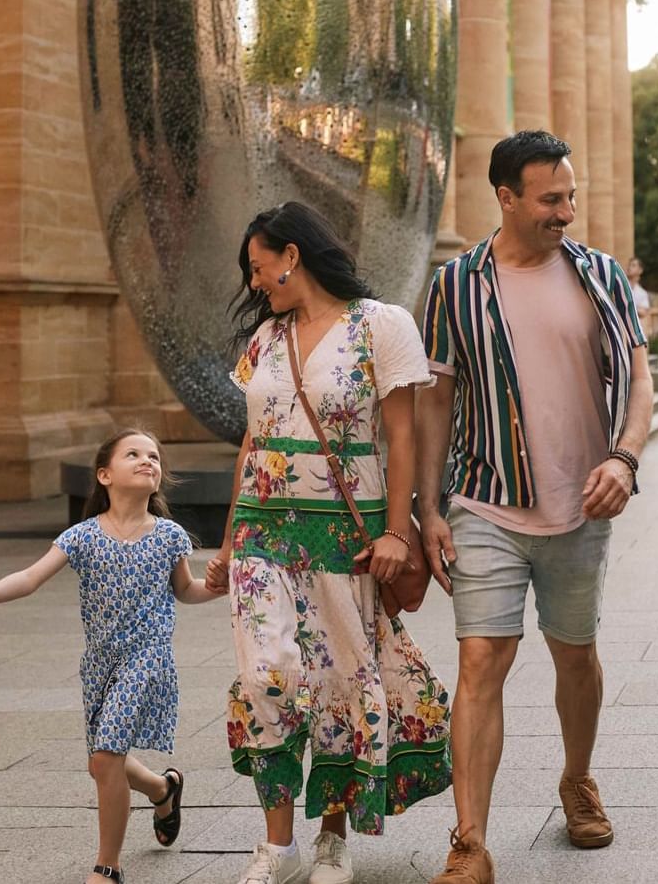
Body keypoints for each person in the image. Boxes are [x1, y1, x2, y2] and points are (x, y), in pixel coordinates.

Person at [416, 130, 653, 884]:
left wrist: (624, 456)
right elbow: (435, 402)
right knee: (482, 658)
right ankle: (470, 842)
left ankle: (577, 778)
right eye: (551, 198)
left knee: (574, 653)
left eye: (571, 196)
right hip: (485, 500)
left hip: (582, 504)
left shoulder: (602, 276)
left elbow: (639, 382)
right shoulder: (455, 286)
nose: (567, 211)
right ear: (507, 196)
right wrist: (426, 511)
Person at [205, 201, 452, 884]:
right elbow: (252, 443)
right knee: (267, 680)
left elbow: (401, 433)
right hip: (264, 529)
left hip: (345, 533)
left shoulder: (382, 326)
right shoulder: (262, 343)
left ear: (293, 254)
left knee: (340, 682)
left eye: (261, 268)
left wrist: (397, 530)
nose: (256, 283)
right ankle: (276, 845)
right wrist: (228, 541)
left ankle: (332, 840)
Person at [0, 430, 217, 884]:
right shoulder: (82, 536)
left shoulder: (170, 536)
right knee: (101, 762)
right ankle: (163, 788)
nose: (146, 461)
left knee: (109, 749)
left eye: (153, 456)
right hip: (100, 661)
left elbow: (186, 591)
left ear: (158, 478)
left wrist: (222, 586)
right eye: (132, 454)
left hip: (147, 656)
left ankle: (107, 866)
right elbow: (32, 577)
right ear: (104, 474)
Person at [626, 257, 654, 338]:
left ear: (640, 270)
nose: (629, 267)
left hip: (634, 334)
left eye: (633, 265)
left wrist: (627, 305)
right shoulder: (620, 287)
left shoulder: (642, 293)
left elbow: (643, 312)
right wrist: (636, 307)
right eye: (629, 265)